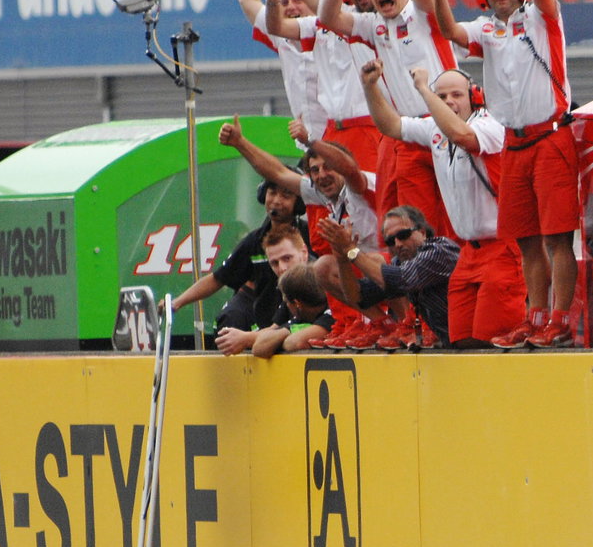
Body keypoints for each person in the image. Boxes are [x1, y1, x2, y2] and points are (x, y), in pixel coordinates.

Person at [421, 0, 582, 349]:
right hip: (514, 143)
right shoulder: (486, 30)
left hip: (549, 136)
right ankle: (537, 315)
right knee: (526, 238)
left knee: (558, 236)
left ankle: (561, 317)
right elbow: (449, 30)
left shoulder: (543, 18)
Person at [361, 59, 525, 348]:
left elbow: (462, 135)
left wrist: (425, 90)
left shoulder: (491, 125)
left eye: (456, 95)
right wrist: (370, 87)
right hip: (467, 253)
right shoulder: (435, 130)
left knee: (488, 342)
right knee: (458, 341)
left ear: (475, 96)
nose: (449, 102)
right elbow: (391, 125)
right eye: (443, 97)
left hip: (501, 248)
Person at [317, 0, 458, 236]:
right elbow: (327, 17)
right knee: (419, 225)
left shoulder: (423, 11)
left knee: (458, 216)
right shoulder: (373, 25)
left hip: (448, 125)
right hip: (408, 133)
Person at [217, 113, 382, 348]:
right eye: (315, 170)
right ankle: (373, 322)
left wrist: (311, 142)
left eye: (329, 167)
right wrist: (239, 143)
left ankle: (388, 322)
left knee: (341, 259)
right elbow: (278, 174)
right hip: (361, 275)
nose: (322, 175)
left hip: (390, 270)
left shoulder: (357, 183)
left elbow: (351, 171)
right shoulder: (322, 193)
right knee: (327, 264)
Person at [261, 0, 383, 168]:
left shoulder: (369, 21)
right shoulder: (319, 23)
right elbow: (276, 26)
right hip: (331, 132)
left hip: (368, 130)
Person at [171, 176, 309, 332]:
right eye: (272, 193)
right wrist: (177, 303)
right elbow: (219, 277)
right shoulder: (253, 241)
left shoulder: (311, 235)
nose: (277, 200)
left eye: (285, 195)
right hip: (268, 326)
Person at [328, 205, 460, 348]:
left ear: (422, 232)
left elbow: (400, 279)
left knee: (378, 265)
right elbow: (358, 297)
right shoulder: (401, 261)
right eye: (391, 241)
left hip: (477, 341)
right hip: (456, 344)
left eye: (403, 235)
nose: (398, 244)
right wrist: (342, 260)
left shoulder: (439, 250)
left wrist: (351, 250)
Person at [239, 0, 326, 148]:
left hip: (344, 139)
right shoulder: (281, 35)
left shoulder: (334, 28)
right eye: (284, 3)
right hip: (308, 147)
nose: (291, 7)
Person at [209, 223, 317, 356]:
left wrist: (247, 338)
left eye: (287, 258)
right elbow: (268, 337)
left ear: (304, 252)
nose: (282, 268)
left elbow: (295, 341)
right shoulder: (290, 288)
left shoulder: (323, 281)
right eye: (274, 263)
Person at [251, 261, 337, 358]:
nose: (286, 306)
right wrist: (290, 331)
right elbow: (259, 348)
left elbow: (295, 342)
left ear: (297, 303)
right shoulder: (302, 318)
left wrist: (282, 339)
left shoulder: (333, 313)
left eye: (286, 302)